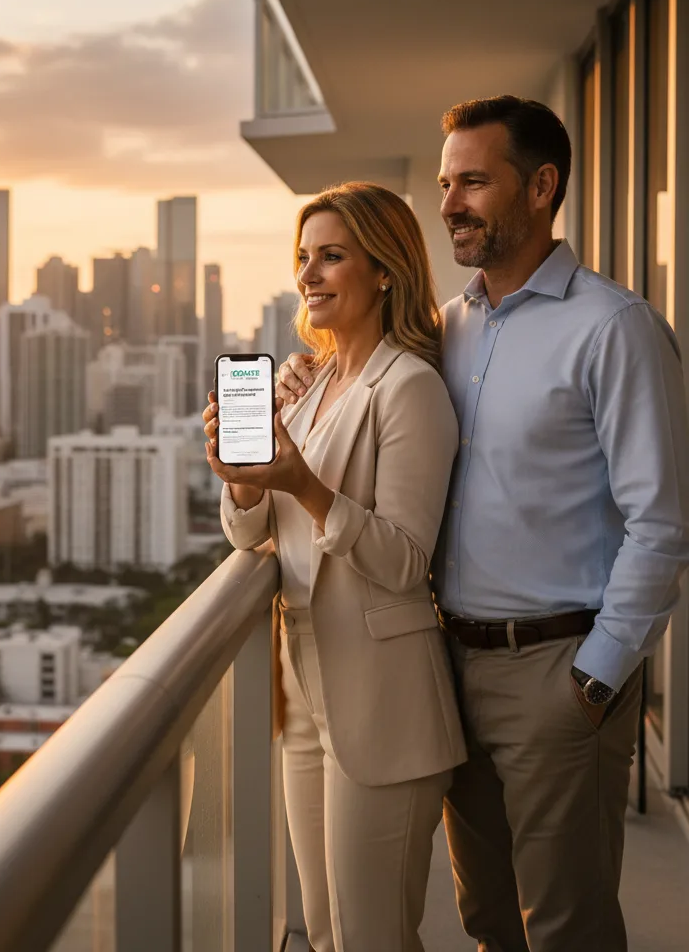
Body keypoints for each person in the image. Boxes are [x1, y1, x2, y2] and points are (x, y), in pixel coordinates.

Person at [276, 96, 689, 952]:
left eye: (473, 181)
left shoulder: (613, 329)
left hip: (557, 669)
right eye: (442, 182)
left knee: (565, 926)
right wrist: (302, 386)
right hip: (448, 662)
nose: (450, 203)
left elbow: (662, 523)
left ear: (542, 187)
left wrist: (597, 678)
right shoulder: (445, 331)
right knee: (488, 919)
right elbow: (372, 401)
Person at [203, 182, 466, 952]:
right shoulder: (308, 385)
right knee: (323, 933)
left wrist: (306, 487)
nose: (308, 275)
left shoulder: (410, 388)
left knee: (371, 938)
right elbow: (250, 534)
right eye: (302, 258)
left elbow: (406, 559)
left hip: (381, 702)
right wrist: (245, 478)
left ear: (384, 270)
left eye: (331, 257)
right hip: (304, 695)